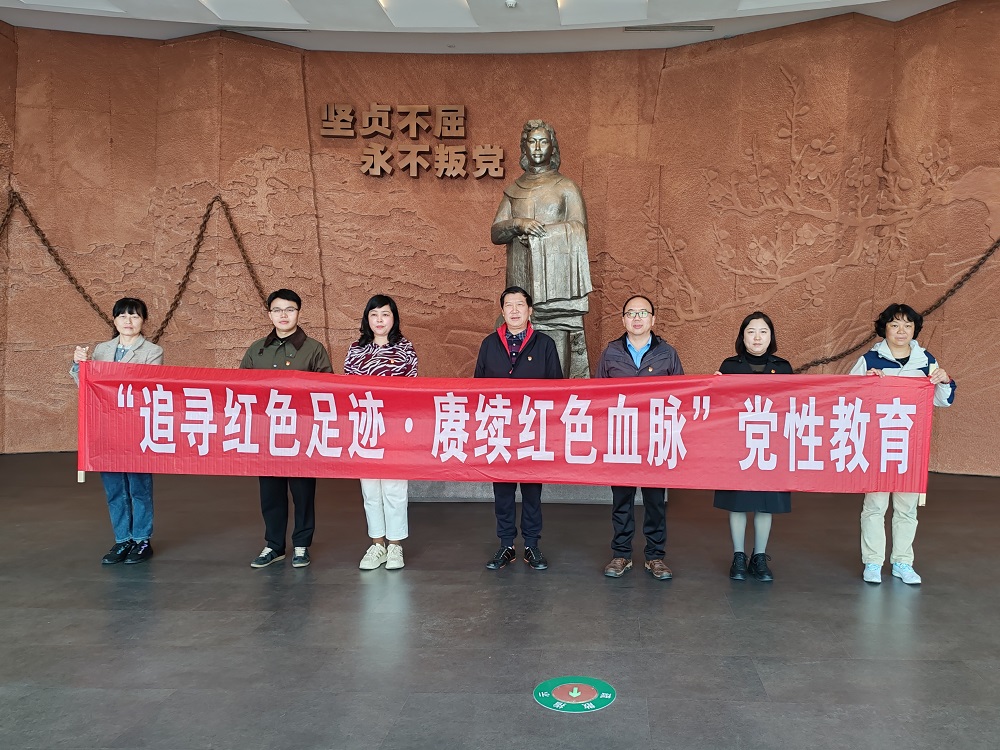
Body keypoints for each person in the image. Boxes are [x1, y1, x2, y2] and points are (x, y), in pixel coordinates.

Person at [850, 303, 955, 585]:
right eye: (895, 324)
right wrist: (865, 383)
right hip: (877, 446)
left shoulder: (925, 360)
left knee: (907, 508)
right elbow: (848, 397)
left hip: (910, 447)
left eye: (908, 325)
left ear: (915, 330)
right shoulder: (870, 360)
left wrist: (944, 380)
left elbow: (943, 400)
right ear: (884, 328)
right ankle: (873, 562)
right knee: (875, 506)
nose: (901, 331)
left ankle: (902, 562)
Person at [491, 119, 593, 379]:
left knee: (556, 350)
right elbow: (496, 232)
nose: (537, 148)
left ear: (552, 147)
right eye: (532, 142)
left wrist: (542, 237)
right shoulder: (513, 190)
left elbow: (581, 230)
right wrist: (518, 224)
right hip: (520, 279)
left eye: (543, 142)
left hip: (555, 289)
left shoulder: (566, 187)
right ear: (524, 147)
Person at [240, 289, 333, 569]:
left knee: (303, 493)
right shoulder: (257, 349)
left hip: (301, 434)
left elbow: (327, 390)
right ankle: (274, 545)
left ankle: (302, 545)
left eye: (290, 309)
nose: (284, 315)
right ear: (270, 314)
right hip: (266, 434)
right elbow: (240, 389)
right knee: (270, 493)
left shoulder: (314, 349)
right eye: (278, 310)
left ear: (298, 313)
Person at [475, 285, 563, 570]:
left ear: (530, 310)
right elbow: (477, 388)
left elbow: (557, 389)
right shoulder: (489, 344)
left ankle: (532, 545)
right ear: (502, 312)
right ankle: (506, 545)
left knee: (532, 491)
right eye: (509, 305)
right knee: (502, 491)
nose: (514, 310)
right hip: (499, 428)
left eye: (520, 305)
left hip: (532, 429)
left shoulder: (545, 344)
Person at [595, 295, 683, 580]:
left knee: (655, 501)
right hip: (621, 438)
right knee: (622, 500)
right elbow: (597, 395)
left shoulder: (667, 353)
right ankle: (621, 554)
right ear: (623, 320)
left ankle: (655, 557)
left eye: (643, 313)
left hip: (655, 438)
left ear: (653, 319)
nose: (637, 318)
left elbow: (682, 395)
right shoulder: (610, 353)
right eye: (631, 313)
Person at [71, 297, 164, 565]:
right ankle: (122, 539)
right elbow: (86, 386)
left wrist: (107, 379)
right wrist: (80, 365)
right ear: (114, 320)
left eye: (134, 316)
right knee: (114, 488)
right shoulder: (102, 349)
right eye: (123, 316)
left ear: (143, 321)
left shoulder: (152, 351)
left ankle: (142, 539)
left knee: (138, 486)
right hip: (106, 428)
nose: (128, 321)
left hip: (136, 428)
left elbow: (146, 387)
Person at [713, 312, 793, 582]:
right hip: (738, 445)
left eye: (763, 332)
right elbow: (719, 408)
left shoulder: (783, 367)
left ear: (771, 337)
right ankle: (738, 556)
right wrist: (714, 387)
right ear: (742, 336)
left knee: (765, 503)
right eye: (751, 331)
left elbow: (792, 405)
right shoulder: (729, 366)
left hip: (771, 445)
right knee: (738, 503)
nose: (757, 337)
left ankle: (759, 556)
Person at [344, 295, 418, 571]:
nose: (379, 320)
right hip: (365, 427)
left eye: (385, 314)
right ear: (367, 319)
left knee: (395, 488)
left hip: (395, 428)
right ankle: (377, 544)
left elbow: (411, 390)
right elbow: (348, 390)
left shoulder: (405, 349)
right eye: (374, 314)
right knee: (370, 489)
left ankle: (395, 545)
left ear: (393, 318)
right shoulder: (356, 349)